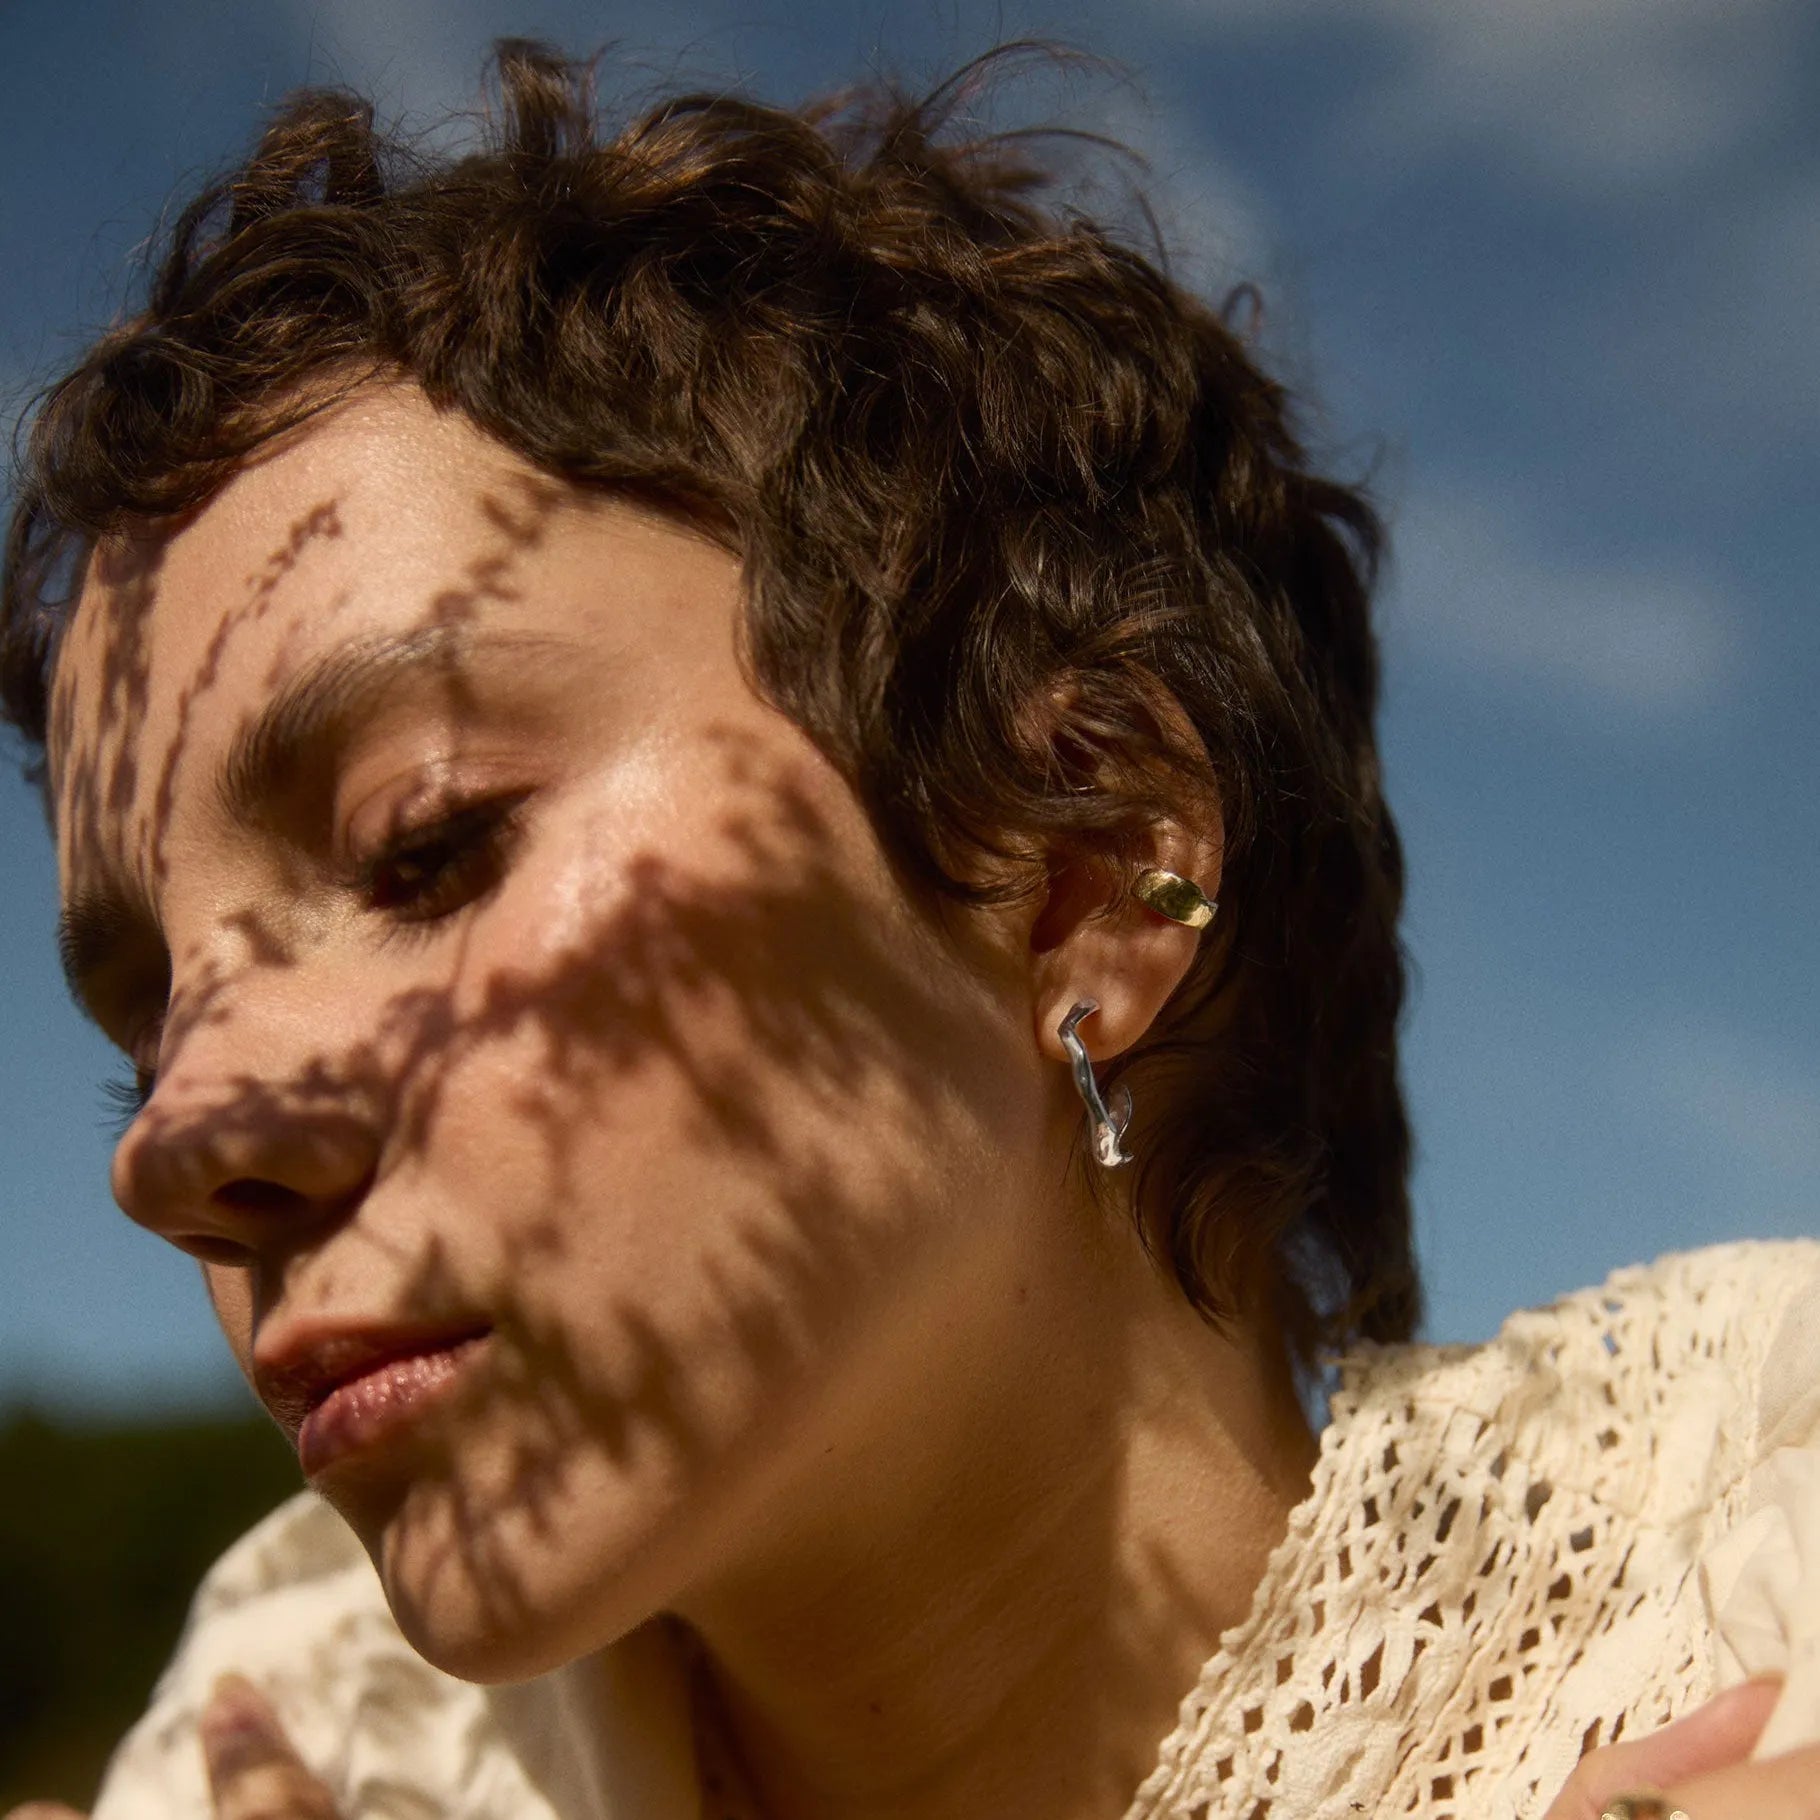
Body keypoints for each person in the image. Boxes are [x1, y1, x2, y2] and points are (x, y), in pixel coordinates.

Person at [2, 39, 1815, 1820]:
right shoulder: (305, 1745)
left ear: (1088, 865)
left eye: (429, 844)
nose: (175, 1151)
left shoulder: (1762, 1551)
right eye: (146, 1027)